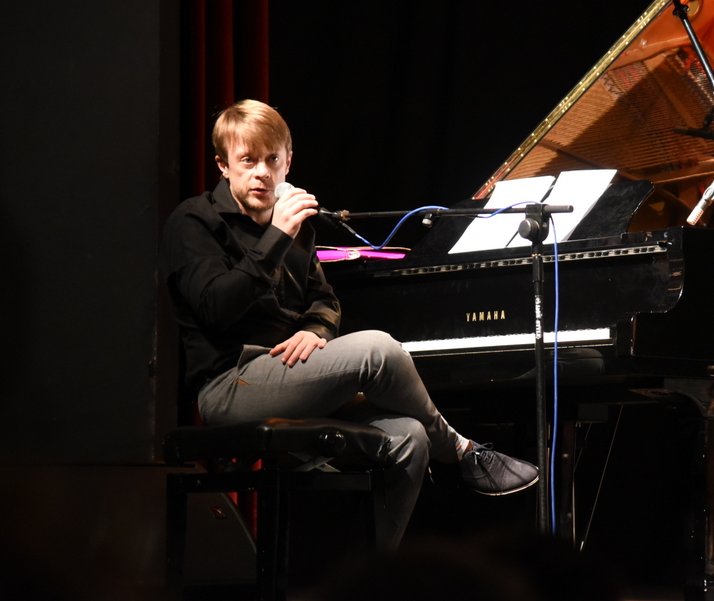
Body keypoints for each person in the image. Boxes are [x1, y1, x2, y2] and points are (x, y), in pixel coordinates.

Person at [160, 99, 538, 547]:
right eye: (247, 161)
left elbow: (324, 301)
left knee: (409, 437)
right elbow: (215, 308)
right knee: (379, 349)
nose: (261, 172)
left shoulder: (298, 229)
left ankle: (367, 575)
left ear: (288, 163)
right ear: (224, 166)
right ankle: (460, 450)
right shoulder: (195, 220)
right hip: (231, 382)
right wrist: (276, 237)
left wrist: (315, 330)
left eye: (272, 159)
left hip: (294, 376)